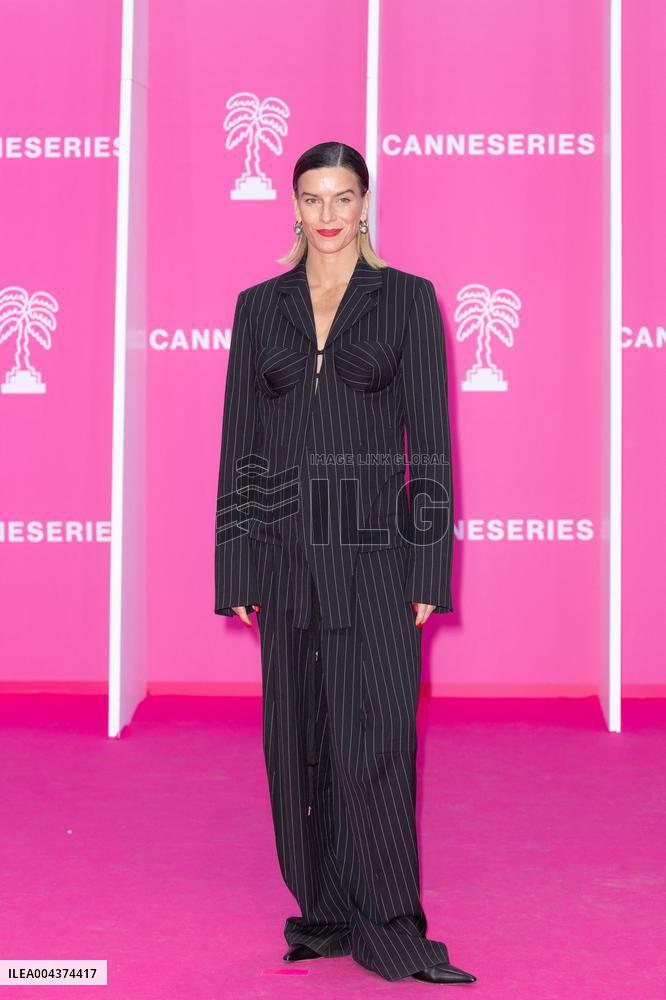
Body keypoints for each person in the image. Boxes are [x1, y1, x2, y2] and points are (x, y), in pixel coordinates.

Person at [214, 141, 475, 986]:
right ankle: (323, 914)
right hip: (284, 552)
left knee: (375, 745)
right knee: (298, 749)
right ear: (294, 205)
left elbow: (429, 448)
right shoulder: (260, 307)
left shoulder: (405, 302)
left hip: (374, 558)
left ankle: (391, 923)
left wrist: (429, 574)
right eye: (313, 199)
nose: (328, 216)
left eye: (344, 197)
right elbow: (240, 448)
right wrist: (238, 566)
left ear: (366, 204)